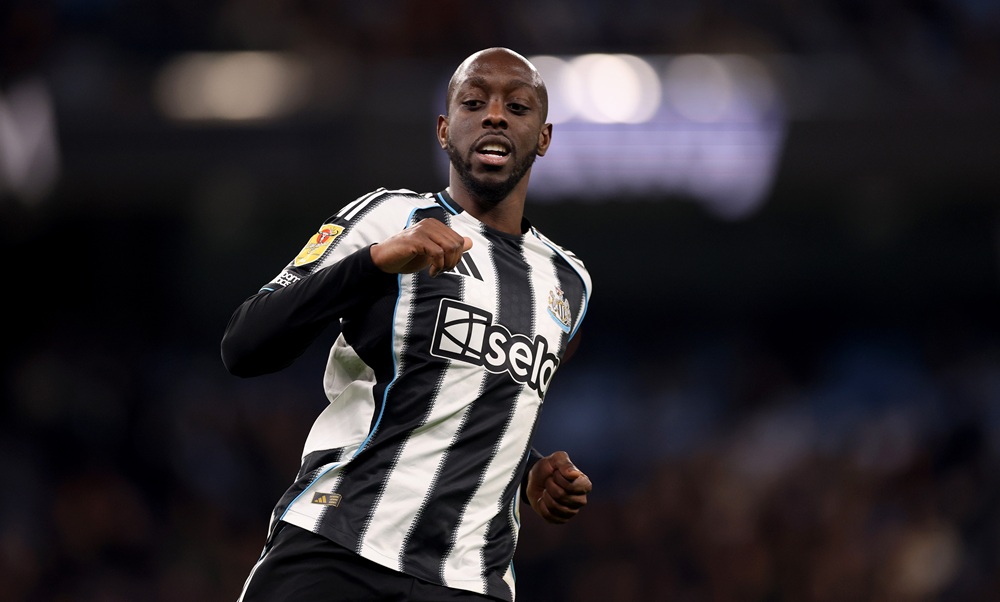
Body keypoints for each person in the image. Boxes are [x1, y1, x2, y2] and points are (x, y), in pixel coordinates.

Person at [221, 47, 593, 602]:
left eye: (516, 106)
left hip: (469, 580)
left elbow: (472, 401)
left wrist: (526, 471)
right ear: (445, 130)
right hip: (338, 546)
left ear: (543, 138)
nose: (494, 115)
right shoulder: (385, 217)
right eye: (474, 103)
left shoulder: (570, 284)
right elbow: (244, 346)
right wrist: (371, 263)